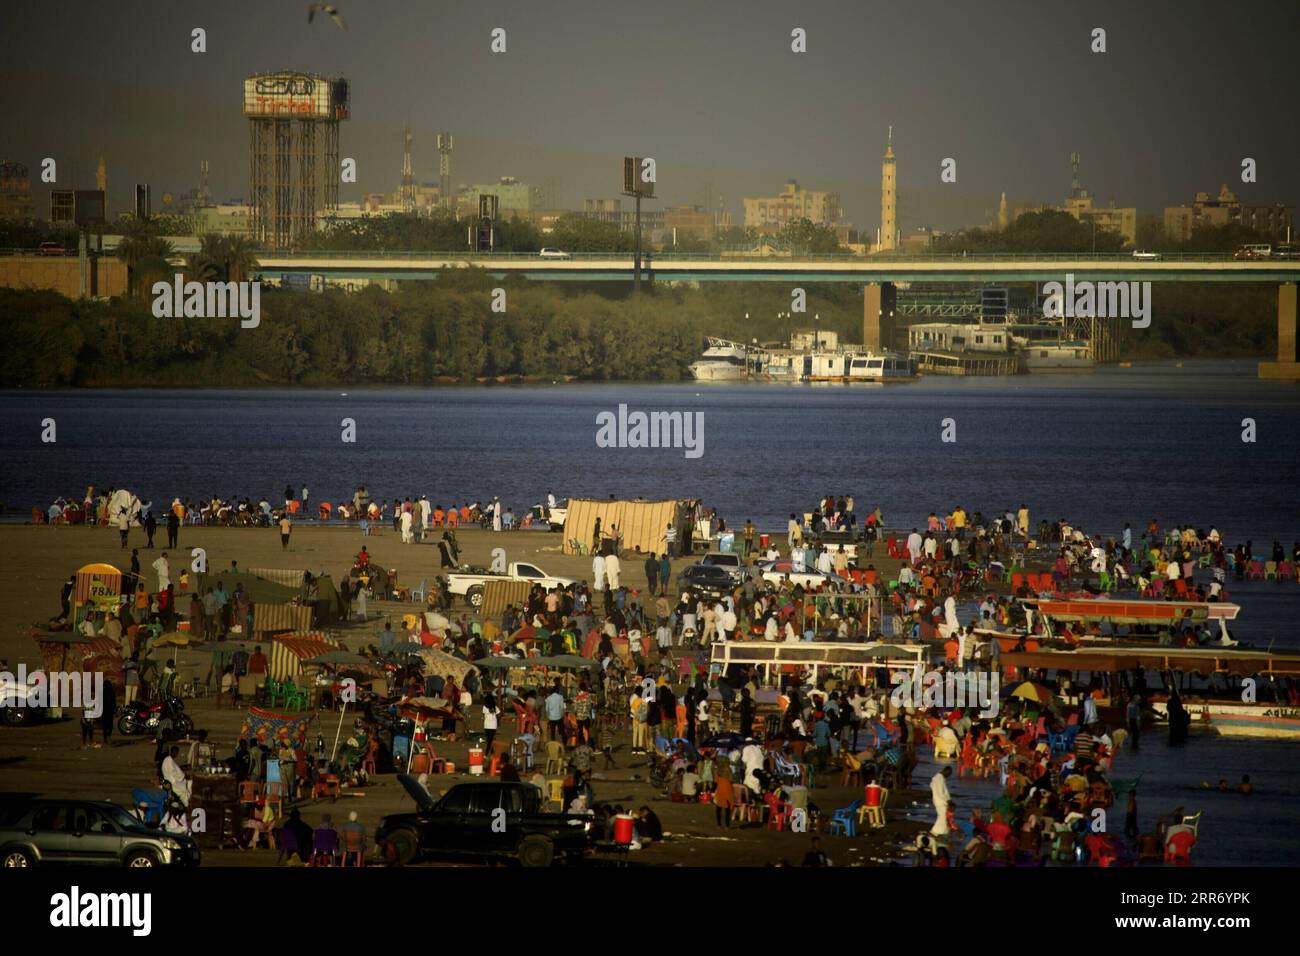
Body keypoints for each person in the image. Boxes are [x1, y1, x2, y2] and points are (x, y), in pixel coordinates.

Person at [930, 766, 952, 836]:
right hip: (941, 801)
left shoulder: (936, 777)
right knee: (943, 817)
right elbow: (941, 792)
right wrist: (947, 801)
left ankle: (939, 831)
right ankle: (935, 831)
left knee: (941, 817)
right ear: (946, 771)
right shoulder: (940, 779)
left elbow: (931, 785)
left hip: (937, 800)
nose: (948, 776)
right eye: (949, 774)